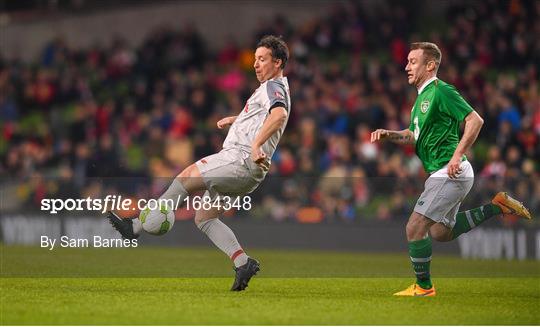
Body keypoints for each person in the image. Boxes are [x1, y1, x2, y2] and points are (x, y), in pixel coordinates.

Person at [108, 35, 291, 291]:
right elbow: (265, 114)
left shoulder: (274, 86)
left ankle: (136, 227)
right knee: (204, 218)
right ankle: (243, 263)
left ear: (278, 62)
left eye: (262, 59)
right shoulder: (272, 89)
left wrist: (255, 144)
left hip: (239, 160)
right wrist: (237, 120)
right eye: (255, 59)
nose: (256, 64)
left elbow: (279, 115)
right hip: (250, 171)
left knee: (186, 177)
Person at [370, 42, 532, 297]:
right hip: (446, 171)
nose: (406, 66)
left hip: (449, 171)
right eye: (407, 61)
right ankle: (498, 206)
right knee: (440, 232)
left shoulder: (441, 90)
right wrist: (389, 134)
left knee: (414, 227)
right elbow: (414, 135)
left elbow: (475, 120)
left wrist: (457, 155)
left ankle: (424, 287)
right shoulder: (421, 98)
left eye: (413, 62)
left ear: (430, 65)